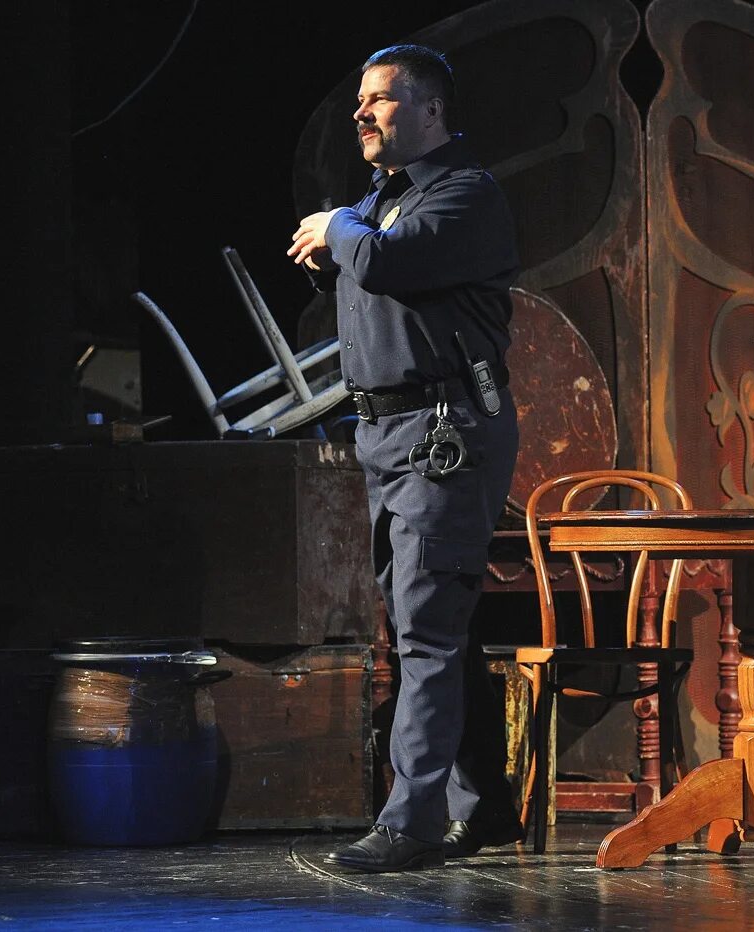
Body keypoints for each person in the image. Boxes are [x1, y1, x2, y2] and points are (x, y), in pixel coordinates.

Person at [287, 43, 524, 872]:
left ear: (430, 110)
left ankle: (411, 823)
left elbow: (391, 261)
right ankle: (482, 803)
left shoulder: (463, 193)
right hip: (387, 434)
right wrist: (335, 248)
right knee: (436, 627)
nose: (362, 113)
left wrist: (339, 228)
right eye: (360, 100)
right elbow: (377, 279)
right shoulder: (382, 201)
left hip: (443, 431)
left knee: (425, 630)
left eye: (380, 99)